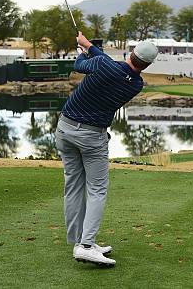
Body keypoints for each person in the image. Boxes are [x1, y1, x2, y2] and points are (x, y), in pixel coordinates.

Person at [55, 32, 158, 266]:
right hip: (92, 136)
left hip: (65, 128)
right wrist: (89, 45)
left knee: (73, 186)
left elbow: (80, 65)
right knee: (97, 190)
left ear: (131, 53)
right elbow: (111, 66)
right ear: (148, 64)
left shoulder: (103, 64)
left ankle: (81, 240)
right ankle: (86, 245)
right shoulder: (137, 85)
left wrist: (82, 51)